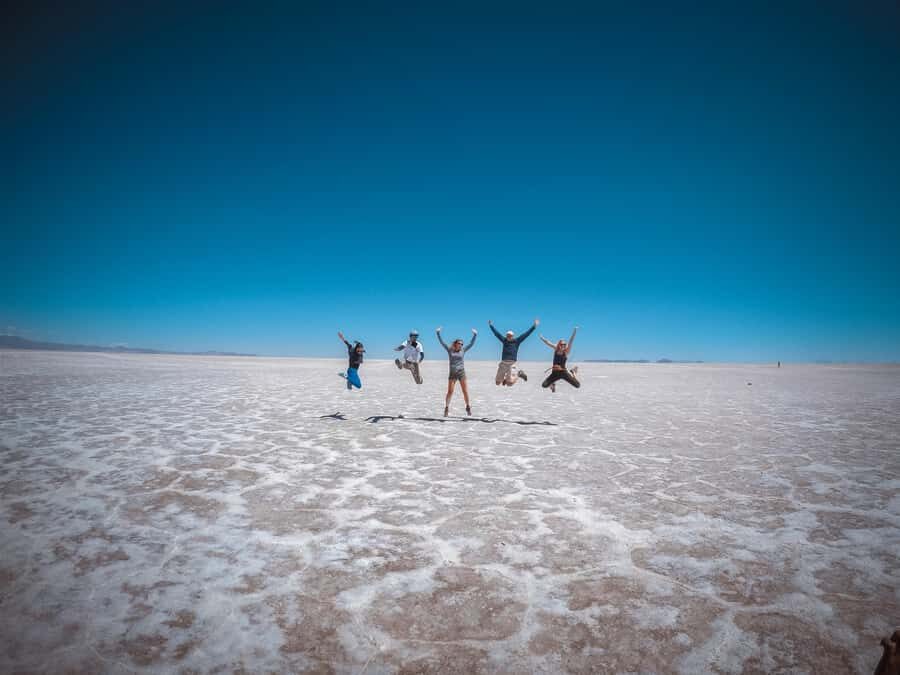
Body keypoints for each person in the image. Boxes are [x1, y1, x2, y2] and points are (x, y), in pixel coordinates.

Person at [436, 326, 477, 416]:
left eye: (462, 344)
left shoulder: (463, 350)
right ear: (456, 344)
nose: (461, 345)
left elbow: (471, 344)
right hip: (452, 373)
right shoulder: (450, 350)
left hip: (461, 373)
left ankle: (468, 406)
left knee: (465, 391)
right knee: (450, 392)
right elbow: (442, 343)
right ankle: (446, 407)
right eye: (459, 343)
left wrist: (475, 335)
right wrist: (438, 333)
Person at [489, 318, 538, 386]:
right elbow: (497, 334)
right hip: (503, 364)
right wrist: (491, 326)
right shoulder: (504, 340)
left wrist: (534, 326)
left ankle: (519, 374)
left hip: (511, 364)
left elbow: (526, 334)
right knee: (497, 383)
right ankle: (505, 379)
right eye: (507, 335)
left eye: (510, 335)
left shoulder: (517, 341)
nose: (508, 336)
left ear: (513, 336)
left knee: (510, 384)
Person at [539, 326, 580, 392]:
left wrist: (574, 331)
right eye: (561, 344)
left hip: (564, 372)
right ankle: (552, 384)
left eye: (564, 344)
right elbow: (548, 342)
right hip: (554, 373)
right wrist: (542, 338)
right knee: (544, 385)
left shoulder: (566, 352)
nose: (563, 346)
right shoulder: (556, 349)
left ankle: (573, 372)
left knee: (577, 385)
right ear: (559, 344)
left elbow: (571, 341)